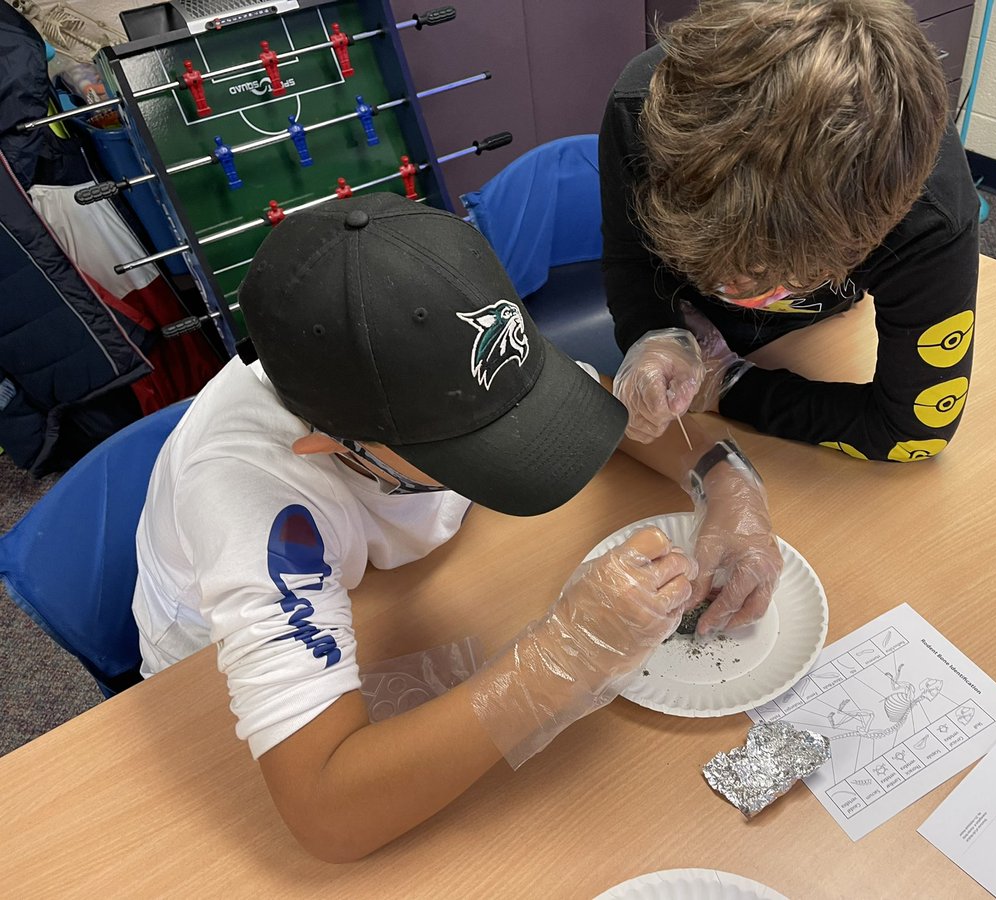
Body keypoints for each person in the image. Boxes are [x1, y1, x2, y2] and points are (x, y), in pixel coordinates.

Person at [130, 193, 782, 862]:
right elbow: (328, 807)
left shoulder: (433, 344)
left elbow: (613, 418)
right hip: (215, 675)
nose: (511, 443)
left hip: (400, 589)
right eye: (465, 447)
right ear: (327, 443)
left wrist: (725, 481)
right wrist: (561, 659)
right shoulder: (247, 501)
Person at [602, 0, 979, 463]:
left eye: (775, 269)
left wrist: (731, 384)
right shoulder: (642, 113)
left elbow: (914, 430)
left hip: (818, 332)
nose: (735, 287)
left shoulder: (930, 211)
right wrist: (654, 334)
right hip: (688, 325)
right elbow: (631, 258)